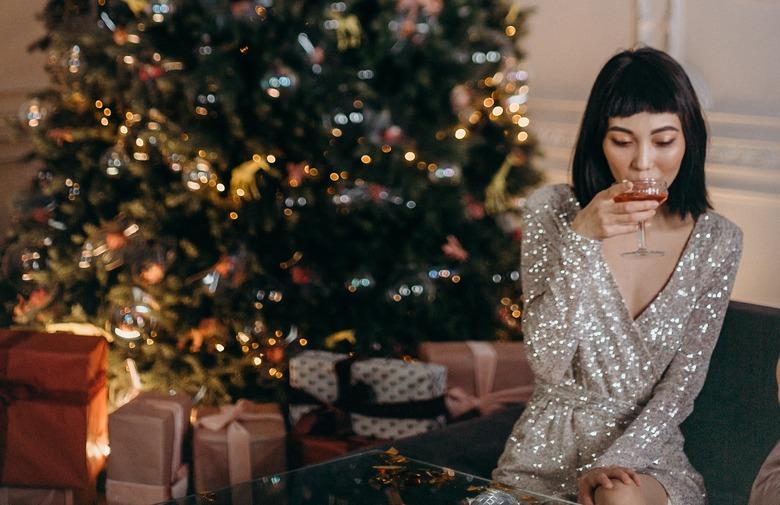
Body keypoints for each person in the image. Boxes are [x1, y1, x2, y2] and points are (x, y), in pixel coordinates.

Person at [492, 46, 743, 505]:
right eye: (622, 141)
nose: (643, 163)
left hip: (644, 452)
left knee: (615, 495)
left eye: (664, 141)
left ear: (690, 141)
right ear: (598, 141)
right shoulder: (551, 211)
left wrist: (616, 458)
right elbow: (546, 361)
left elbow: (683, 385)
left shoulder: (717, 240)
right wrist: (582, 239)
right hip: (543, 450)